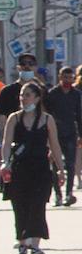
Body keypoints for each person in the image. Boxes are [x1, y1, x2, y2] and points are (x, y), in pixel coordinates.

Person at [0, 82, 66, 254]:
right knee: (20, 206)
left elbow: (55, 146)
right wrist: (5, 162)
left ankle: (35, 246)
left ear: (37, 98)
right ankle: (22, 243)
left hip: (41, 170)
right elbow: (6, 144)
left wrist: (61, 169)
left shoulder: (47, 120)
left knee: (37, 206)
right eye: (22, 95)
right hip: (19, 169)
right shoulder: (14, 118)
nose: (23, 98)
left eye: (27, 95)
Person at [45, 66, 82, 206]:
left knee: (70, 164)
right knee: (55, 164)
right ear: (60, 77)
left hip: (71, 133)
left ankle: (69, 193)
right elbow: (47, 114)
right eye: (64, 77)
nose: (67, 80)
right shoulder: (53, 93)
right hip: (55, 134)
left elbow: (79, 115)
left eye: (70, 77)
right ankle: (58, 195)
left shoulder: (76, 94)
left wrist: (81, 134)